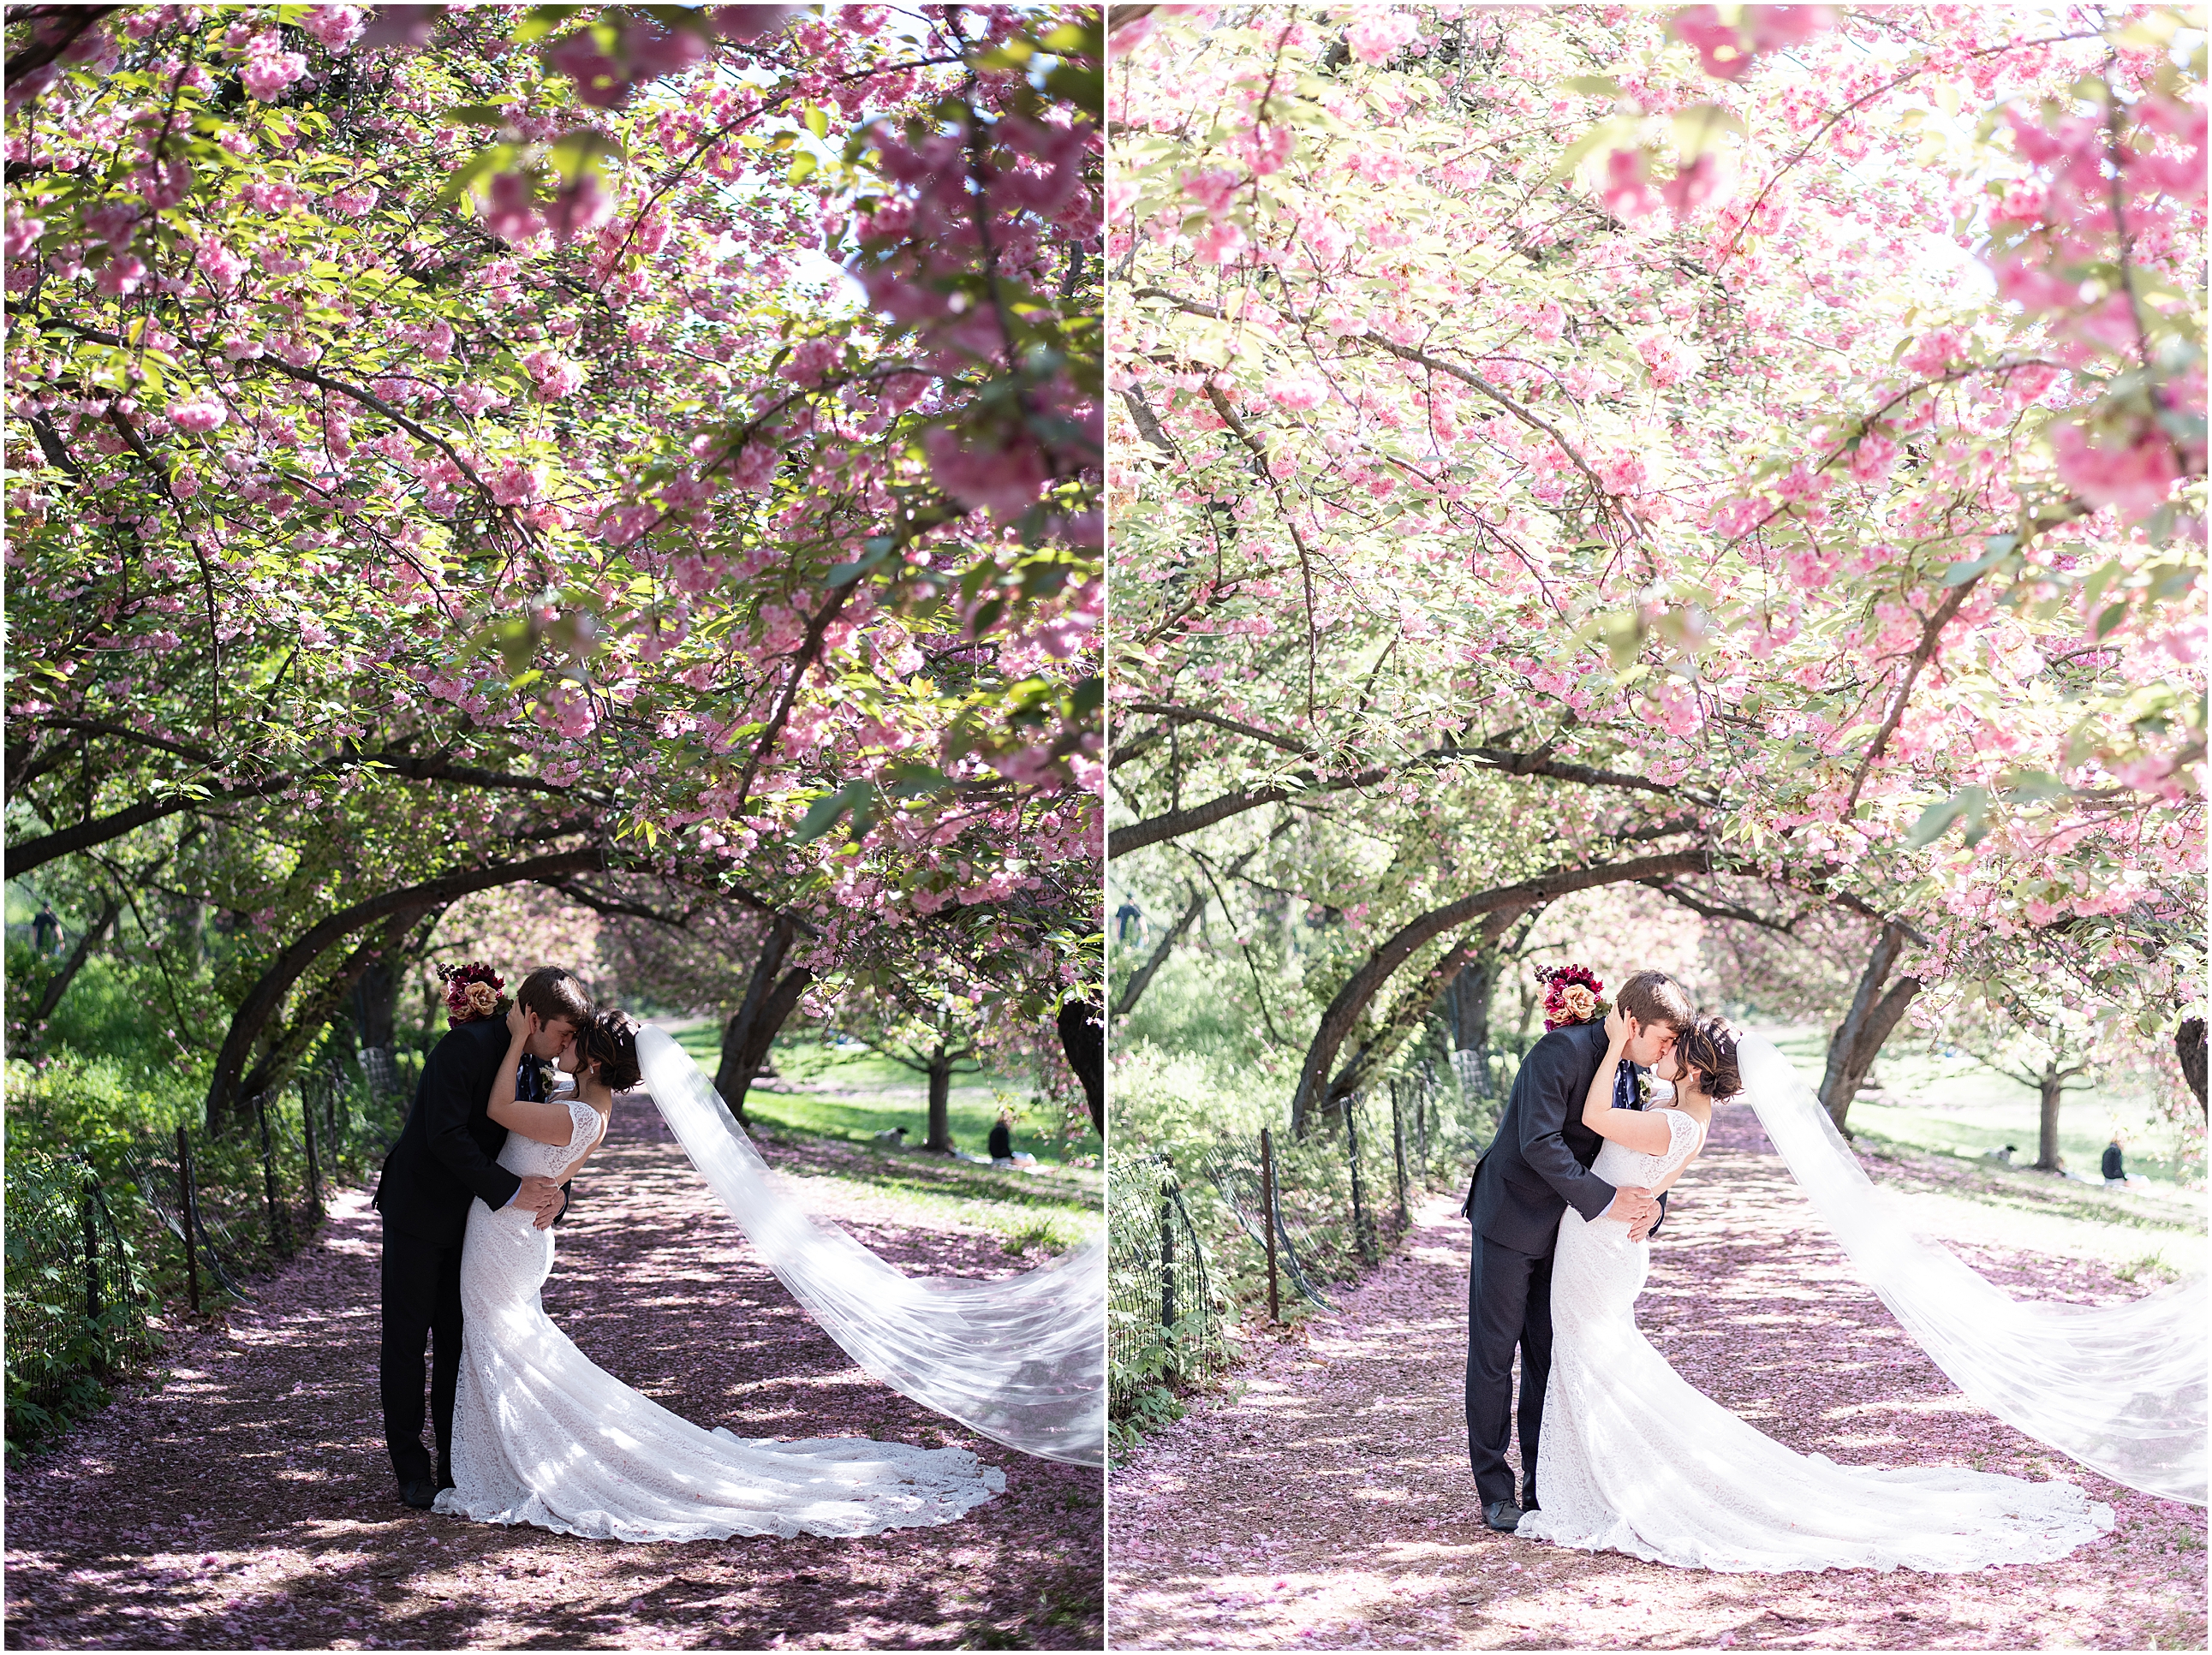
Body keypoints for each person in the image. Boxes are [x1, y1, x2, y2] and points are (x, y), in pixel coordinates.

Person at [1513, 1012, 2114, 1572]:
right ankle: (1590, 1473)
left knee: (1591, 1355)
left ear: (1695, 1069)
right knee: (1594, 1358)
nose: (1662, 1051)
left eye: (1674, 1047)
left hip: (1600, 1250)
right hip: (1606, 1243)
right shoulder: (1677, 1105)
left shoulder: (1674, 1121)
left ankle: (1603, 1479)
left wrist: (1618, 1040)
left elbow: (1594, 1117)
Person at [433, 1005, 1005, 1540]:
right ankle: (509, 1450)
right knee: (510, 1343)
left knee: (503, 1341)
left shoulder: (580, 1112)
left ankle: (519, 1457)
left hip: (506, 1239)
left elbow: (499, 1110)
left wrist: (513, 1037)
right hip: (508, 1231)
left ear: (596, 1059)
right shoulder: (574, 1096)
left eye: (572, 1039)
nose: (563, 1042)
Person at [1461, 968, 1693, 1533]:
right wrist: (1608, 1201)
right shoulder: (1557, 1050)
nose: (1667, 1050)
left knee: (1548, 1358)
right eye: (1663, 1037)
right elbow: (1536, 1141)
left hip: (1568, 1237)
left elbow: (1631, 1152)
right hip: (1511, 1216)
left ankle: (1544, 1486)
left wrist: (1651, 1208)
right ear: (1631, 1022)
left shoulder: (1631, 1074)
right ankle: (1495, 1490)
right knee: (1494, 1359)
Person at [373, 965, 587, 1509]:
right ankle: (410, 1470)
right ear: (533, 1018)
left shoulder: (535, 1067)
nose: (567, 1044)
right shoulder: (463, 1047)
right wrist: (515, 1193)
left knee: (457, 1342)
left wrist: (556, 1195)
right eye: (563, 1032)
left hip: (475, 1228)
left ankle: (455, 1466)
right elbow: (444, 1135)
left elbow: (539, 1145)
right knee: (405, 1342)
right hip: (420, 1212)